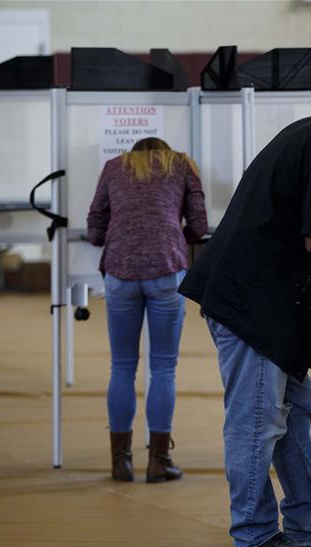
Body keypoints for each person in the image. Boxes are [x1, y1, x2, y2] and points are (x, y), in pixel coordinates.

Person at [179, 106, 311, 547]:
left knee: (294, 415)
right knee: (257, 421)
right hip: (254, 305)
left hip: (267, 301)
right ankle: (254, 536)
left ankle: (310, 523)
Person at [87, 137, 207, 483]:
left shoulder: (114, 167)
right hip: (166, 269)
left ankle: (120, 462)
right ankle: (158, 460)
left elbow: (96, 220)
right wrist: (171, 233)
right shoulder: (181, 164)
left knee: (122, 366)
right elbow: (199, 224)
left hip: (119, 271)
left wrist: (107, 237)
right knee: (163, 367)